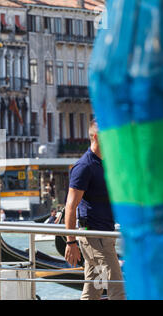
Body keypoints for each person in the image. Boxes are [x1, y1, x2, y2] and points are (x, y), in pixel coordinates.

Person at [64, 120, 125, 300]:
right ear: (97, 137)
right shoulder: (84, 167)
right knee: (117, 288)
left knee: (94, 288)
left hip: (105, 234)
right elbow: (71, 205)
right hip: (94, 237)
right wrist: (70, 242)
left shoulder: (104, 163)